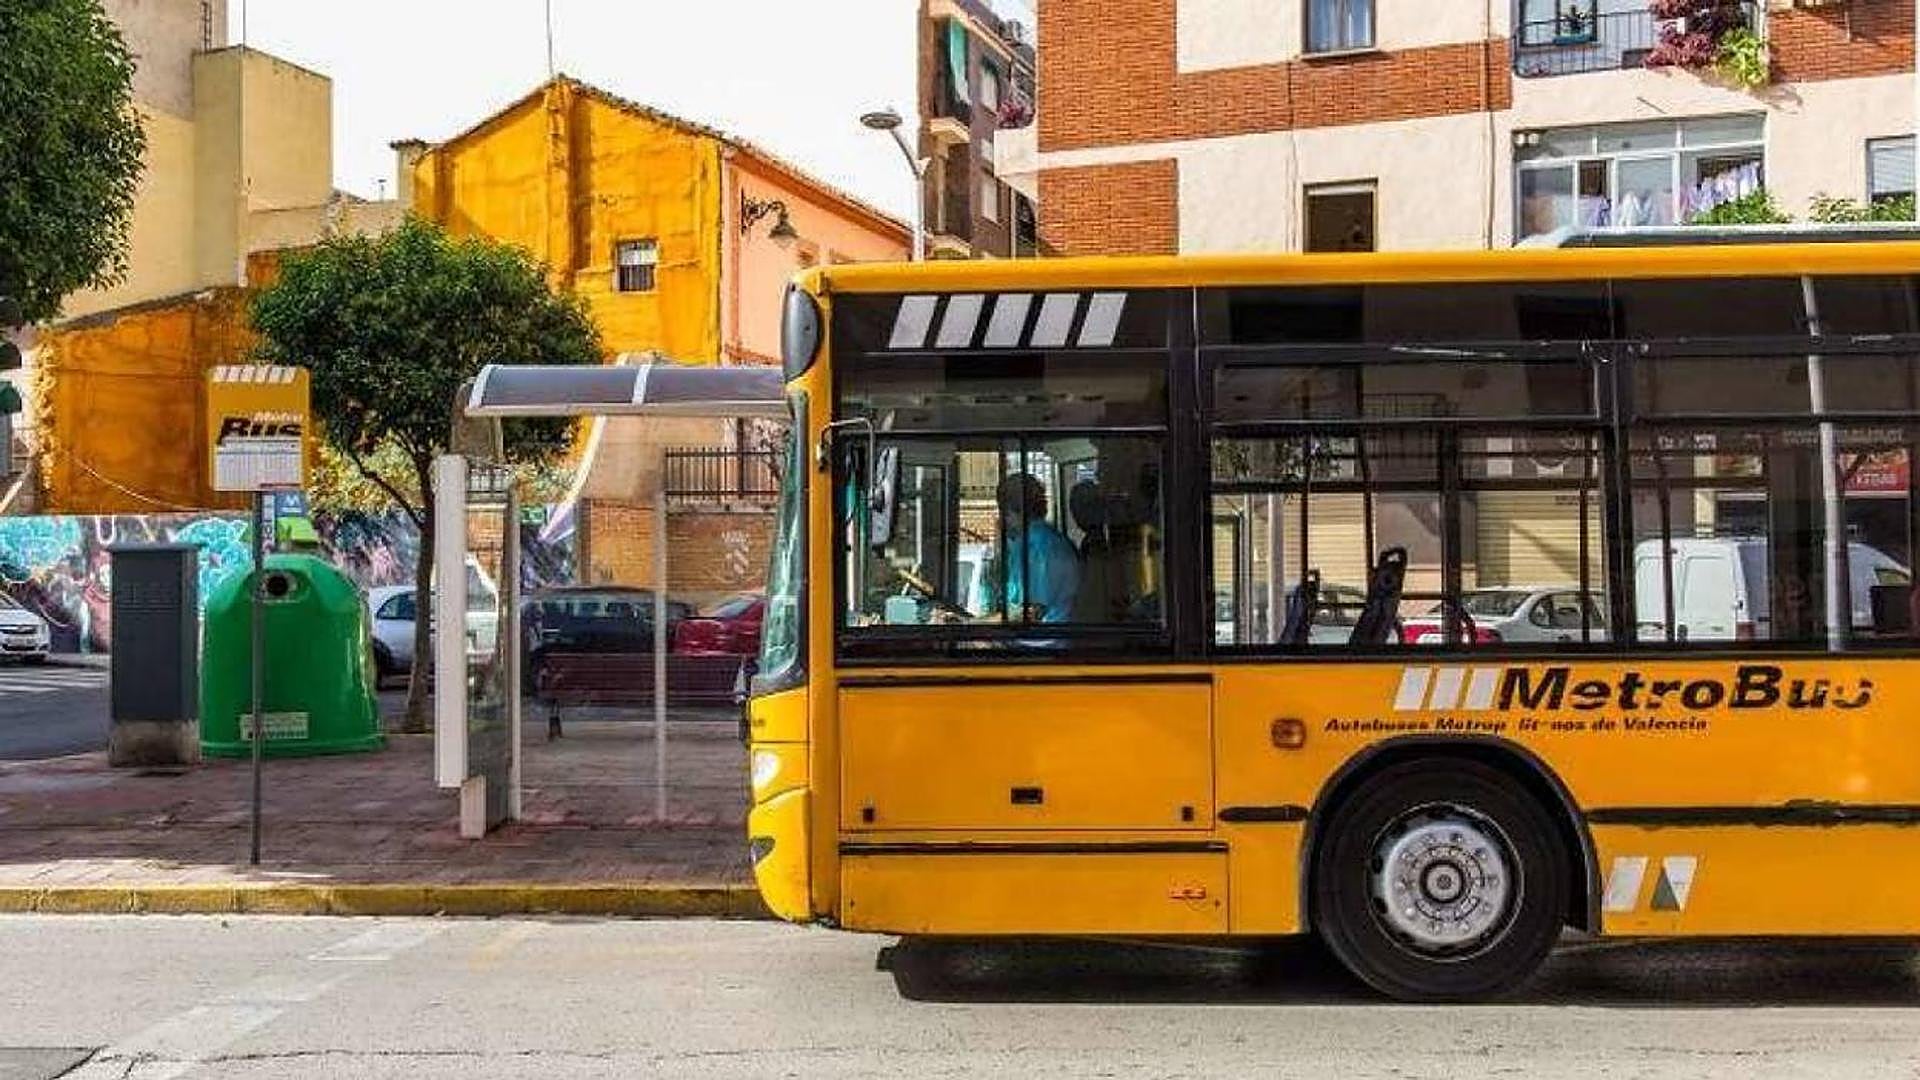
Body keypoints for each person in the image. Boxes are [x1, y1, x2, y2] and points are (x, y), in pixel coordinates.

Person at [977, 473, 1081, 624]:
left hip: (1042, 643)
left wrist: (973, 624)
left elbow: (1031, 613)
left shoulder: (1039, 546)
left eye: (1002, 511)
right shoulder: (1031, 541)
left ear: (1011, 510)